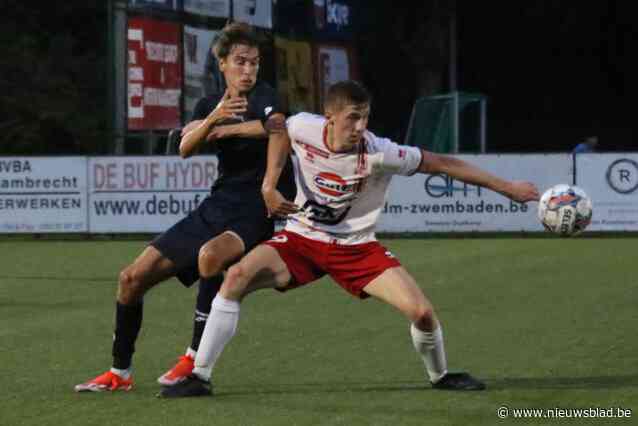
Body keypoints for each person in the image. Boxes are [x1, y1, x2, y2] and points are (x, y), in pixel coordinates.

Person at [159, 80, 540, 398]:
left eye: (365, 117)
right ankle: (200, 376)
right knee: (236, 276)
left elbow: (442, 163)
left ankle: (441, 376)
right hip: (302, 240)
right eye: (353, 118)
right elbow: (278, 130)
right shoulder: (304, 127)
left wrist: (506, 188)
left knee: (421, 313)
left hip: (356, 248)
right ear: (330, 117)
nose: (360, 127)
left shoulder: (381, 152)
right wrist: (269, 183)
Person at [75, 22, 295, 392]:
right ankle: (119, 374)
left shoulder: (266, 97)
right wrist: (214, 120)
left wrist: (232, 134)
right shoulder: (209, 104)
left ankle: (193, 359)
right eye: (240, 62)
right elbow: (183, 148)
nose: (248, 70)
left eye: (254, 63)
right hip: (216, 205)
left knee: (211, 257)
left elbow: (277, 127)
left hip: (254, 210)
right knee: (131, 279)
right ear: (222, 64)